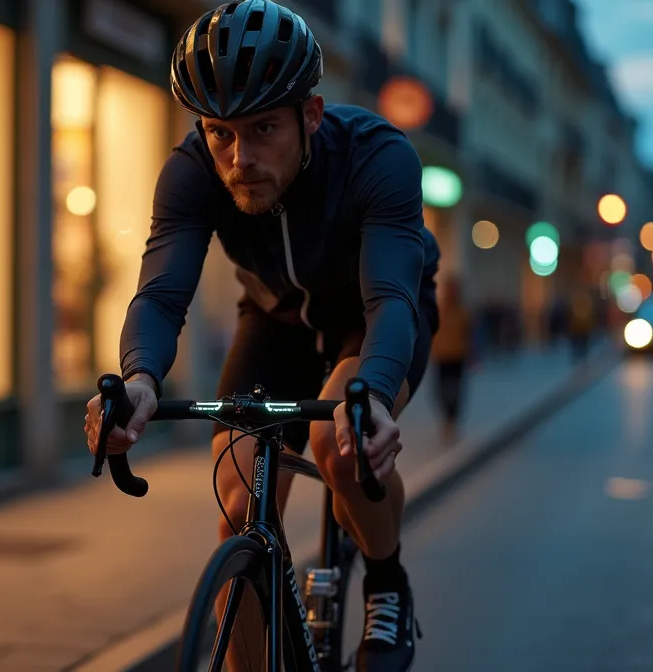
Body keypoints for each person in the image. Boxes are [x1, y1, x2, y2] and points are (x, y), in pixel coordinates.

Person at [81, 2, 439, 669]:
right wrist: (137, 381)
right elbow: (162, 294)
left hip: (372, 318)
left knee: (340, 441)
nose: (239, 157)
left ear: (311, 115)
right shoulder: (193, 171)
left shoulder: (378, 156)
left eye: (263, 128)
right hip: (273, 324)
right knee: (239, 504)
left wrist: (378, 399)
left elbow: (390, 298)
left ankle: (387, 582)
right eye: (219, 132)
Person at [431, 277, 470, 443]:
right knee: (440, 391)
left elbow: (470, 335)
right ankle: (446, 418)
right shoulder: (438, 311)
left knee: (456, 391)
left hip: (458, 357)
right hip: (441, 357)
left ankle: (452, 421)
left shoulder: (463, 312)